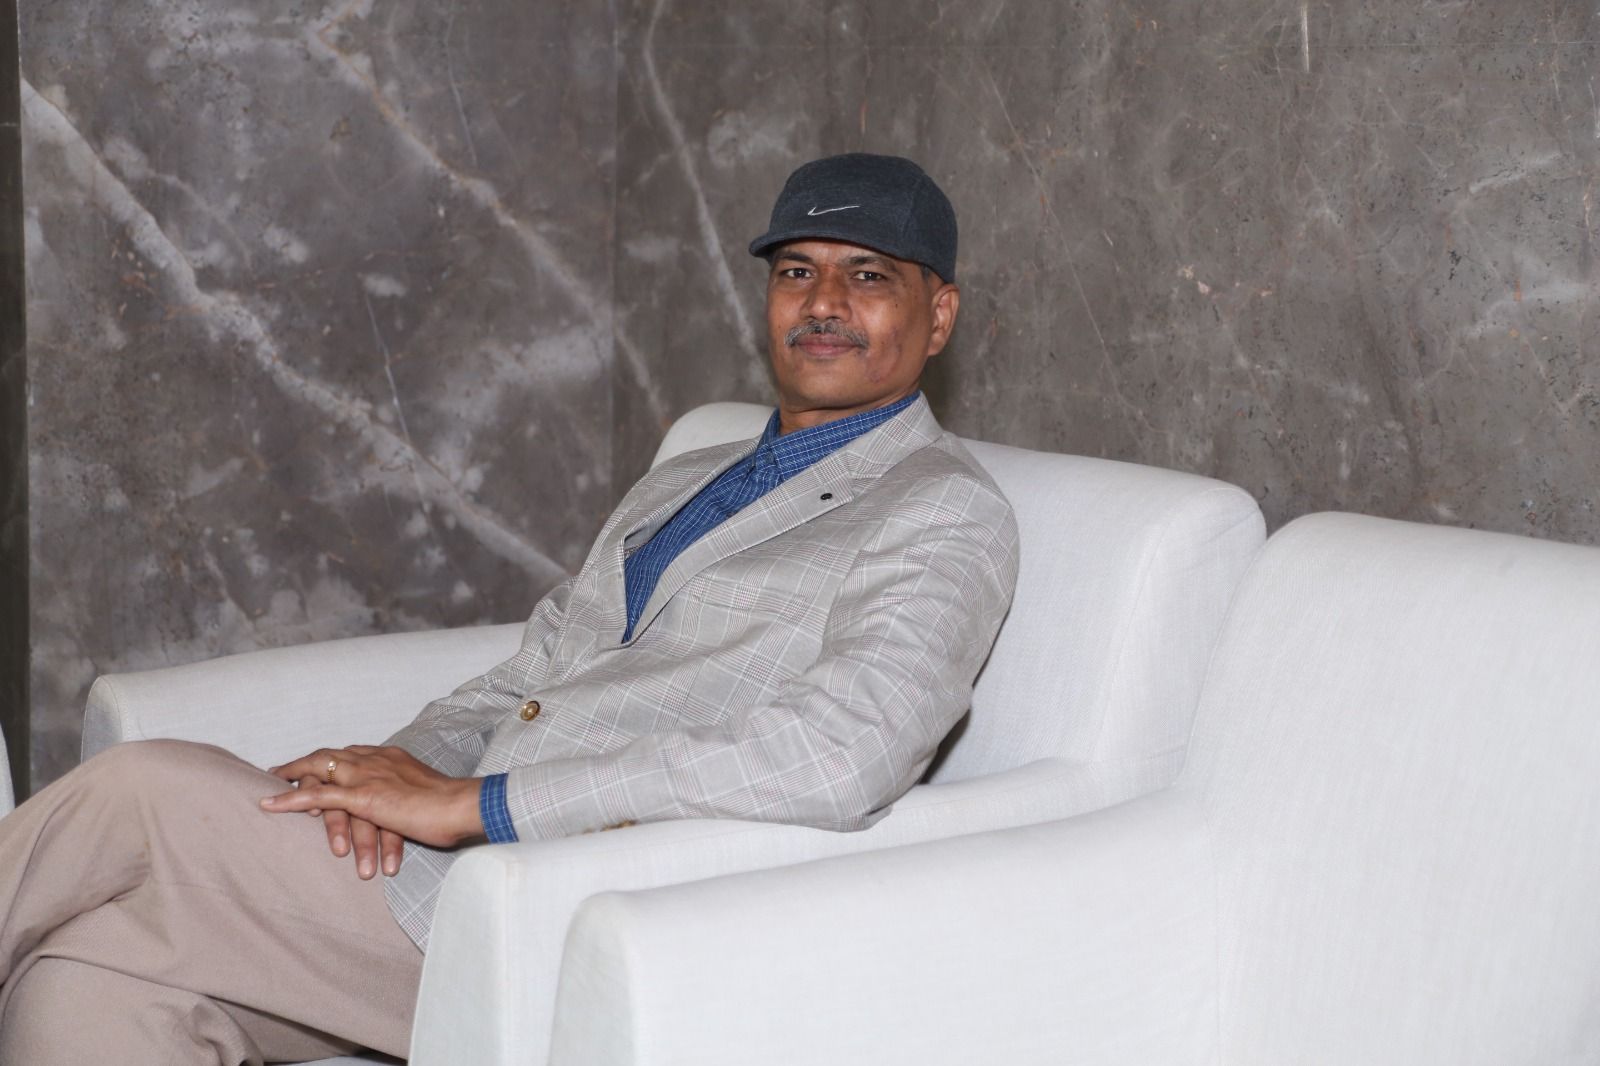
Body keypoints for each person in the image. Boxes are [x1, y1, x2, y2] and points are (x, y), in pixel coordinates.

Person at [0, 152, 1019, 1064]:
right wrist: (390, 783)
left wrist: (479, 806)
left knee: (142, 788)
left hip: (566, 909)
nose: (823, 299)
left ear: (938, 315)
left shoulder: (942, 510)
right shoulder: (693, 470)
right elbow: (530, 671)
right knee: (86, 979)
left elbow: (840, 754)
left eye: (869, 274)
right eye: (797, 270)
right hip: (435, 885)